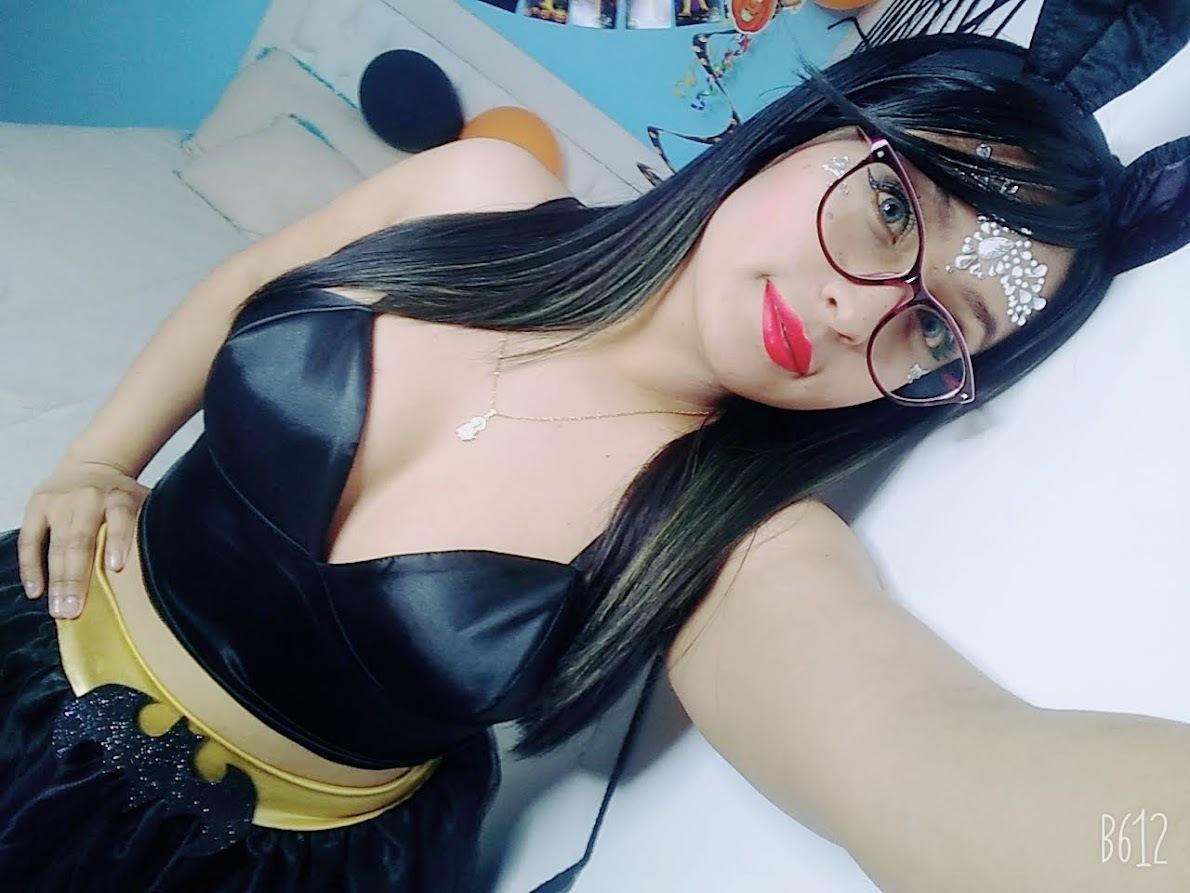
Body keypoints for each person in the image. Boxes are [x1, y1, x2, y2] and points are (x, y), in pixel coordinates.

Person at [2, 4, 1187, 889]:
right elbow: (248, 278)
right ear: (817, 126)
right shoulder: (474, 185)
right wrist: (102, 458)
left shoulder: (727, 541)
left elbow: (920, 756)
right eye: (890, 208)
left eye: (934, 326)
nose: (856, 310)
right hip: (36, 638)